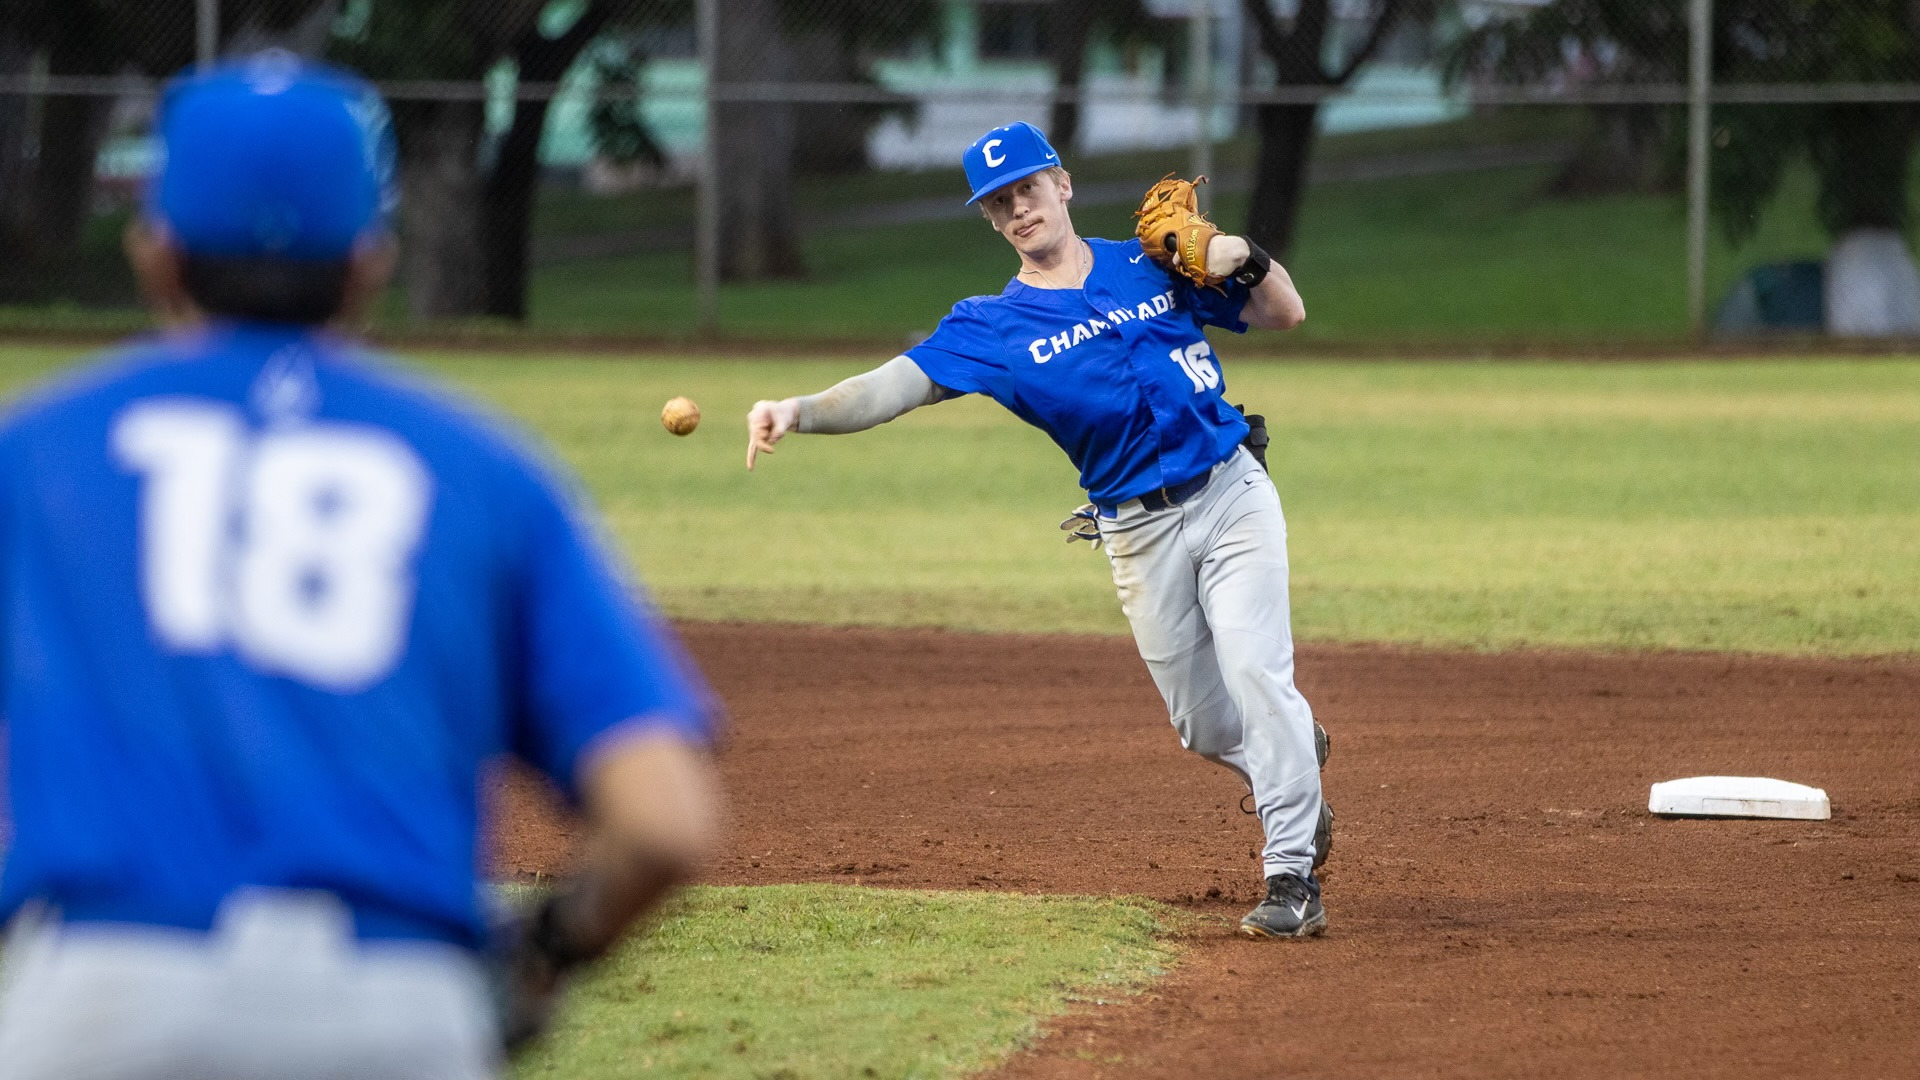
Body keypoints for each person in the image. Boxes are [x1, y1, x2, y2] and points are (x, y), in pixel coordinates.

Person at [0, 53, 719, 1079]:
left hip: (107, 997)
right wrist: (544, 950)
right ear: (369, 261)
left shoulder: (37, 455)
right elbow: (665, 823)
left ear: (155, 254)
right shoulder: (484, 471)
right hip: (392, 1006)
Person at [745, 121, 1330, 939]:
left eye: (1027, 187)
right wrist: (796, 412)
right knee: (1204, 722)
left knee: (1256, 670)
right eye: (998, 202)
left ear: (1062, 183)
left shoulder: (1153, 258)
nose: (1018, 208)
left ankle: (1291, 875)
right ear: (989, 219)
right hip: (1135, 533)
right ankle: (1294, 754)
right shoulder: (992, 326)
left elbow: (1286, 315)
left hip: (1231, 494)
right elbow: (893, 386)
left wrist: (1248, 256)